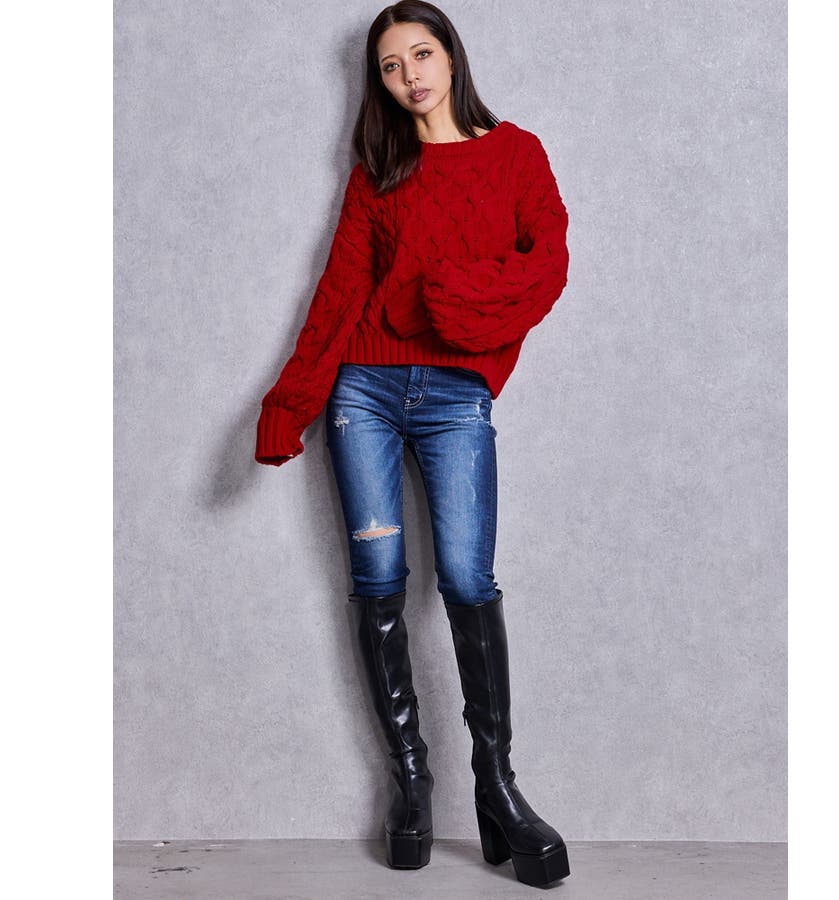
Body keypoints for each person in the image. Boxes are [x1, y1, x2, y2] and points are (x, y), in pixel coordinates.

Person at [255, 1, 570, 887]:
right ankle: (411, 783)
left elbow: (547, 263)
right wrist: (290, 401)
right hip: (362, 394)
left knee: (467, 580)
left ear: (451, 56)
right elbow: (338, 294)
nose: (410, 77)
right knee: (379, 581)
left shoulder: (517, 154)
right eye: (391, 67)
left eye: (421, 55)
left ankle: (497, 788)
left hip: (455, 399)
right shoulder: (379, 172)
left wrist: (450, 302)